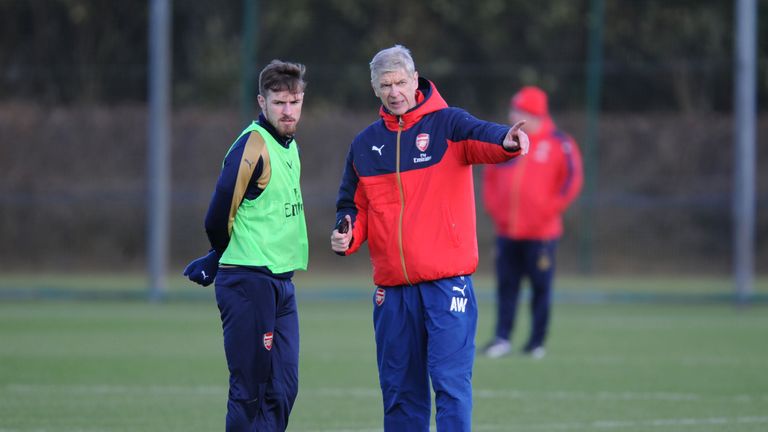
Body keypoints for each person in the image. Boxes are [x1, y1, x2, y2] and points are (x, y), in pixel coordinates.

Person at [330, 45, 529, 432]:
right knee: (401, 394)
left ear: (415, 78)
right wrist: (347, 233)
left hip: (445, 285)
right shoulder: (364, 146)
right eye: (385, 85)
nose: (394, 92)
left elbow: (483, 136)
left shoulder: (447, 125)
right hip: (393, 294)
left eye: (400, 82)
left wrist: (508, 139)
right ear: (375, 89)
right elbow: (352, 207)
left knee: (450, 385)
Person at [183, 60, 308, 431]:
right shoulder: (253, 145)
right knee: (249, 392)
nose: (288, 111)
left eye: (295, 102)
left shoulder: (289, 145)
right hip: (248, 281)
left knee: (283, 389)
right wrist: (218, 254)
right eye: (280, 103)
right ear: (262, 101)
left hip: (281, 283)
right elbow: (218, 212)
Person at [481, 86, 583, 360]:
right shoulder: (506, 140)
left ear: (534, 114)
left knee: (540, 288)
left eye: (519, 110)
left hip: (542, 234)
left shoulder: (559, 143)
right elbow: (490, 178)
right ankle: (502, 338)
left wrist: (550, 209)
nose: (513, 114)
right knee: (506, 286)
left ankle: (536, 342)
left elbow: (572, 180)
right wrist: (495, 210)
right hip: (507, 232)